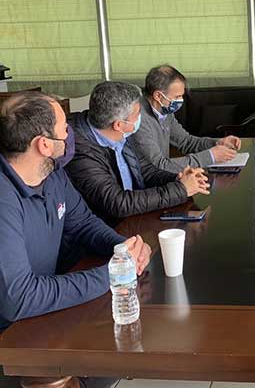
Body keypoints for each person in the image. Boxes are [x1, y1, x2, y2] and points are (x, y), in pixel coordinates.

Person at [0, 92, 150, 387]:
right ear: (44, 144)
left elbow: (82, 223)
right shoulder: (4, 199)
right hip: (13, 332)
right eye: (63, 128)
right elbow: (19, 298)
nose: (70, 132)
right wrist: (112, 275)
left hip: (44, 308)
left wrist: (123, 249)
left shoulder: (51, 173)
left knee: (123, 345)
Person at [66, 81, 210, 227]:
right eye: (137, 113)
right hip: (110, 228)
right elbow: (118, 203)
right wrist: (180, 190)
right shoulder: (79, 153)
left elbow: (145, 171)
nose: (140, 117)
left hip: (136, 215)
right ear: (119, 125)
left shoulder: (121, 133)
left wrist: (178, 179)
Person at [132, 64, 242, 173]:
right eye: (177, 96)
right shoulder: (138, 119)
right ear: (158, 96)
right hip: (148, 180)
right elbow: (160, 165)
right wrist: (211, 156)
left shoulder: (165, 111)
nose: (181, 100)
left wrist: (218, 143)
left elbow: (186, 142)